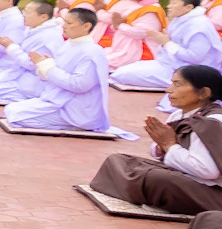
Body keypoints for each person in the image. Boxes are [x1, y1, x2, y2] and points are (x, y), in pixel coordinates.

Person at [89, 65, 222, 214]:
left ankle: (139, 191)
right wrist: (161, 146)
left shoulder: (212, 122)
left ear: (204, 93)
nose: (169, 90)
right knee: (118, 160)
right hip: (184, 175)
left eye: (177, 85)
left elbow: (208, 171)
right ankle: (141, 191)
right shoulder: (178, 115)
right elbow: (160, 151)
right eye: (172, 83)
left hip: (213, 192)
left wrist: (169, 145)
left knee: (156, 178)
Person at [2, 8, 115, 133]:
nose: (64, 26)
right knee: (11, 110)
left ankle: (75, 126)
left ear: (86, 26)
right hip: (59, 101)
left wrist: (47, 66)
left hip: (77, 109)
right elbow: (55, 73)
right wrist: (44, 64)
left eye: (69, 23)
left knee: (16, 116)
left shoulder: (93, 52)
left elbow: (79, 85)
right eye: (65, 22)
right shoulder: (69, 45)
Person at [112, 0, 222, 91]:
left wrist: (166, 42)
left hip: (191, 73)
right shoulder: (180, 20)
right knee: (120, 71)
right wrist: (165, 42)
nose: (169, 6)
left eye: (174, 3)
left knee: (123, 75)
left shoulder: (199, 26)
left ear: (188, 7)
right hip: (170, 63)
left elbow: (194, 58)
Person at [0, 0, 63, 104]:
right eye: (24, 11)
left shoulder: (47, 37)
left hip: (33, 83)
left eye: (28, 12)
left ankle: (31, 100)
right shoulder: (33, 30)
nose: (24, 15)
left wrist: (10, 47)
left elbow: (32, 65)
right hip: (19, 74)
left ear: (43, 17)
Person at [102, 0, 167, 70]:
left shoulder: (151, 11)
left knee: (101, 62)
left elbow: (141, 33)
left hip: (141, 52)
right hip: (125, 48)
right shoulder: (137, 6)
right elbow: (119, 23)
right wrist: (118, 25)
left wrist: (119, 26)